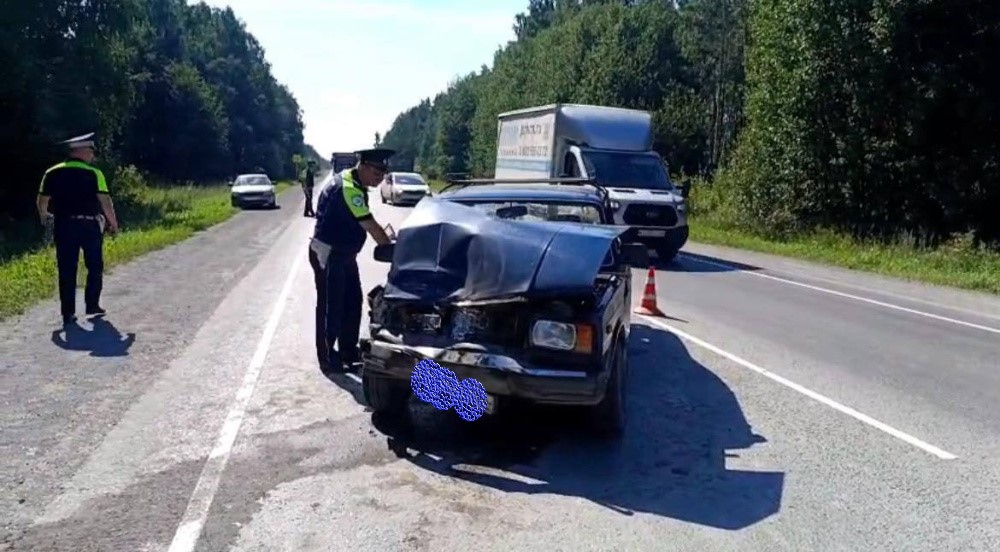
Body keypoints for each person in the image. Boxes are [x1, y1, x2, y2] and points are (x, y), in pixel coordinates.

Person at [309, 148, 394, 373]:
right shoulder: (348, 188)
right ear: (364, 166)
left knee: (352, 302)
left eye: (383, 174)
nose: (380, 179)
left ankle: (348, 349)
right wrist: (391, 247)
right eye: (377, 173)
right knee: (331, 306)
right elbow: (369, 224)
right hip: (329, 254)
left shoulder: (356, 183)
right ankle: (327, 357)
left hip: (344, 254)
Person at [36, 132, 120, 325]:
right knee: (95, 265)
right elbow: (105, 201)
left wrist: (44, 215)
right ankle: (92, 305)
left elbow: (43, 199)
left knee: (67, 269)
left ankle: (68, 313)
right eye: (91, 150)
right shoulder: (94, 173)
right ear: (80, 151)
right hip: (89, 225)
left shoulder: (52, 172)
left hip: (63, 225)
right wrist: (113, 223)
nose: (93, 155)